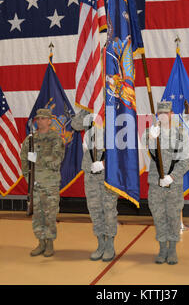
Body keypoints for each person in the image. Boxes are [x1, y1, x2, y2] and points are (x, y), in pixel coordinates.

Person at [143, 101, 189, 265]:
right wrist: (151, 137)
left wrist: (172, 176)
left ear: (172, 114)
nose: (164, 115)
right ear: (158, 114)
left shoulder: (181, 134)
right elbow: (146, 147)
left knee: (172, 216)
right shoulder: (152, 132)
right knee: (158, 216)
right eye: (160, 113)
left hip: (173, 185)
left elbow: (187, 161)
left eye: (167, 112)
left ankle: (172, 249)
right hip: (156, 183)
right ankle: (162, 247)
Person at [71, 109, 119, 262]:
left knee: (109, 208)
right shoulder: (90, 110)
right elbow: (75, 124)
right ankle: (101, 243)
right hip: (90, 169)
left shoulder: (116, 110)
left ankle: (110, 243)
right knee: (94, 208)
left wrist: (106, 163)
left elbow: (122, 148)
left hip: (109, 171)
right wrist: (86, 110)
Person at [20, 108, 65, 257]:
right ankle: (40, 242)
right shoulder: (30, 139)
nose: (40, 121)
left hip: (50, 183)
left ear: (49, 120)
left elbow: (56, 161)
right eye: (38, 119)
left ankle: (50, 243)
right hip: (35, 183)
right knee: (37, 215)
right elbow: (24, 160)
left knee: (50, 214)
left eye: (43, 118)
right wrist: (28, 178)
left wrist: (38, 158)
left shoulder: (56, 139)